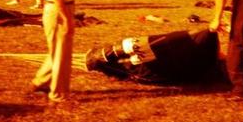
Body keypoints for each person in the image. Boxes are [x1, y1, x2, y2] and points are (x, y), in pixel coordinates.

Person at [31, 0, 83, 103]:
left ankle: (40, 82)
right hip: (59, 10)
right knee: (62, 54)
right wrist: (67, 19)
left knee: (58, 51)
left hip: (57, 9)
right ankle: (59, 94)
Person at [79, 28, 222, 84]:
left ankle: (101, 61)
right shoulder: (209, 63)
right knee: (148, 48)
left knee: (135, 64)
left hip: (161, 70)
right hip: (174, 66)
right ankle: (103, 58)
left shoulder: (208, 62)